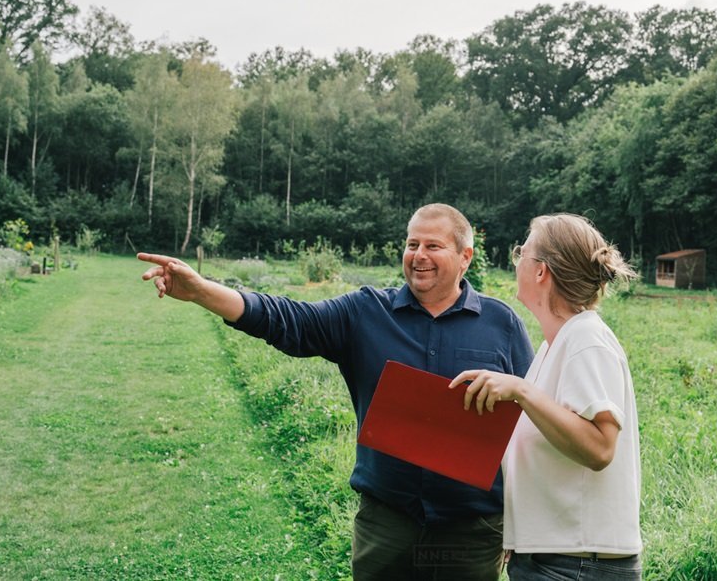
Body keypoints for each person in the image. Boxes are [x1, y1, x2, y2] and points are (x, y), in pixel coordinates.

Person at [138, 203, 534, 581]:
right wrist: (202, 292)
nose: (418, 255)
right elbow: (288, 319)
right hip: (387, 524)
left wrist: (521, 526)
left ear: (465, 257)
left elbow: (529, 427)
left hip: (471, 531)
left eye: (433, 245)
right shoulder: (366, 312)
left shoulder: (502, 324)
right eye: (412, 244)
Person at [450, 213, 643, 580]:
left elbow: (601, 448)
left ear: (541, 271)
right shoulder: (553, 346)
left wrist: (521, 391)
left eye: (521, 252)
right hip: (554, 559)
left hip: (577, 566)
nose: (516, 260)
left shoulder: (586, 340)